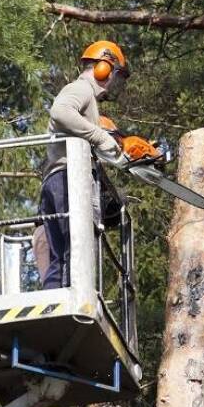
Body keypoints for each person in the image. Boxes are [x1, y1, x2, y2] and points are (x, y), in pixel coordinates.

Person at [39, 41, 130, 289]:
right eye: (115, 74)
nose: (114, 82)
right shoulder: (81, 89)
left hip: (57, 178)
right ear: (103, 68)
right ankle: (75, 299)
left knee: (62, 256)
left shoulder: (87, 99)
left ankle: (54, 307)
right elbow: (60, 112)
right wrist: (100, 136)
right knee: (76, 251)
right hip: (69, 179)